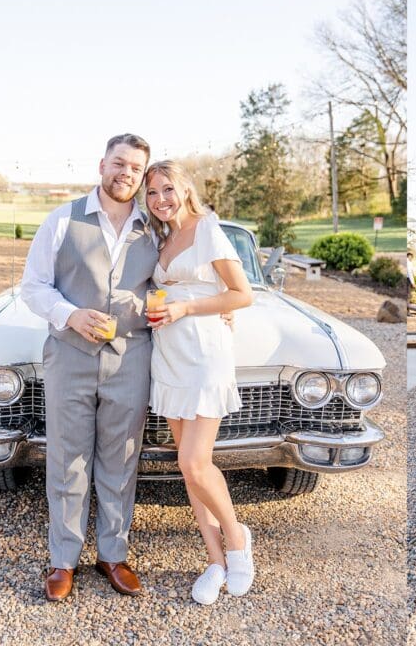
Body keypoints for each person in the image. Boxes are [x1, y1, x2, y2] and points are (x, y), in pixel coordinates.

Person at [21, 134, 158, 601]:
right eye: (120, 163)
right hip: (70, 354)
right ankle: (63, 559)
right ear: (102, 164)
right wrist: (70, 314)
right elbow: (33, 287)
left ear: (143, 175)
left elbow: (179, 282)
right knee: (67, 455)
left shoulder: (153, 226)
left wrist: (213, 307)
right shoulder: (62, 219)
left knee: (121, 457)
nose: (127, 173)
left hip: (131, 356)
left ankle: (113, 555)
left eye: (137, 168)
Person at [143, 160, 255, 605]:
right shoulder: (162, 238)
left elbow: (241, 294)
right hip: (168, 355)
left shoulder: (207, 228)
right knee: (188, 470)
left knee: (194, 461)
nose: (161, 200)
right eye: (151, 194)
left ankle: (237, 539)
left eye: (167, 189)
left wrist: (187, 309)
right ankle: (214, 560)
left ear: (184, 188)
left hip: (205, 354)